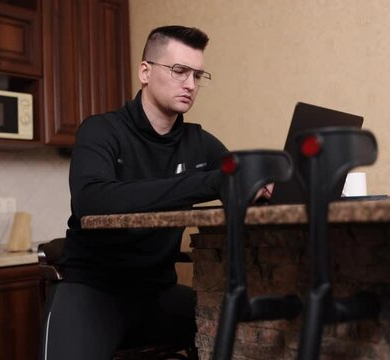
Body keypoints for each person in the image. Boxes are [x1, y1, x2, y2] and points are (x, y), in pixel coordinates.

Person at [39, 25, 272, 360]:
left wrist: (265, 182)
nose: (190, 85)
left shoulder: (199, 142)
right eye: (179, 71)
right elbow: (93, 200)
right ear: (145, 72)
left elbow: (238, 178)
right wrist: (211, 182)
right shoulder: (101, 130)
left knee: (249, 328)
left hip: (157, 294)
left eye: (198, 75)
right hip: (92, 289)